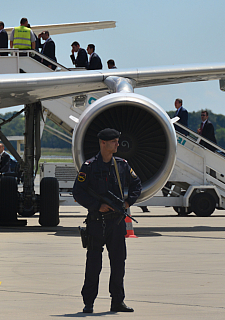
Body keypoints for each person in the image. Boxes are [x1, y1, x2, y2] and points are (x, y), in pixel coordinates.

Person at [72, 128, 141, 314]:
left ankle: (117, 301)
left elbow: (137, 184)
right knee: (94, 264)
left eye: (117, 141)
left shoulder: (122, 165)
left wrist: (127, 202)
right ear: (103, 143)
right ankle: (88, 303)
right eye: (114, 142)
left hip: (117, 223)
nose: (118, 144)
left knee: (119, 263)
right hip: (96, 222)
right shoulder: (89, 166)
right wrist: (96, 206)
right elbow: (77, 192)